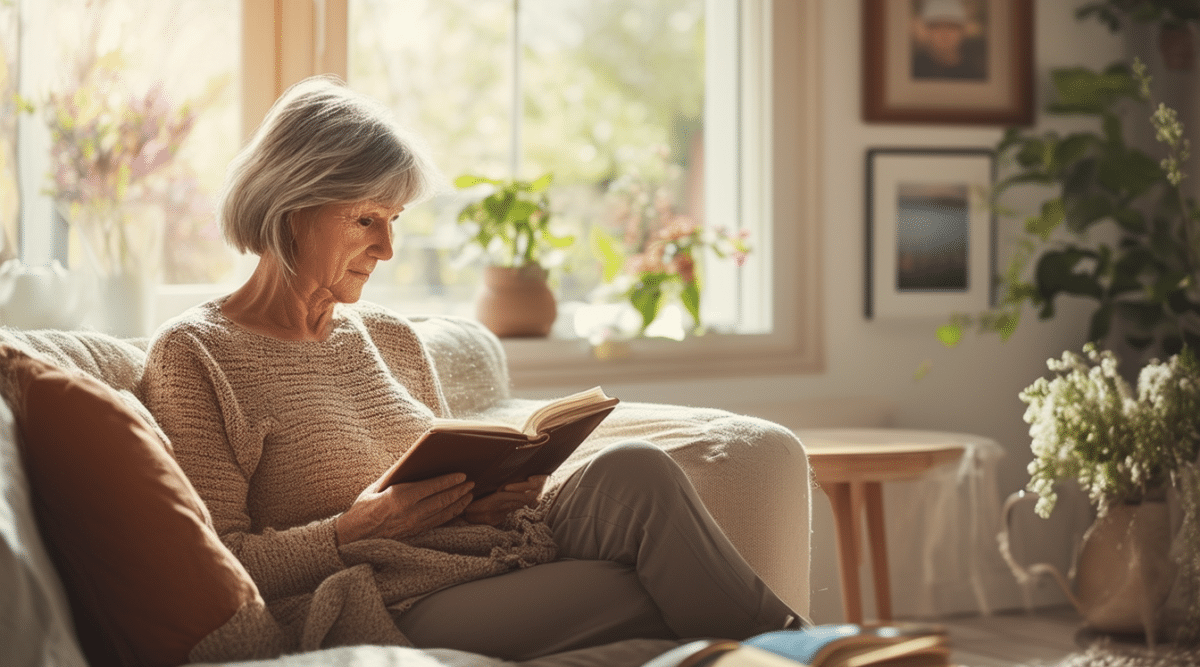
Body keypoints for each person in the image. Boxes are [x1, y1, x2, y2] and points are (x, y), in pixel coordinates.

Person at [141, 75, 801, 661]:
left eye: (395, 219)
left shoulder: (392, 338)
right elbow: (217, 561)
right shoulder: (197, 354)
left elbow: (444, 473)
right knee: (656, 586)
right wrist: (352, 530)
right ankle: (814, 650)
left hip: (483, 549)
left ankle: (804, 647)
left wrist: (482, 499)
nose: (389, 247)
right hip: (383, 599)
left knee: (637, 467)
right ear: (292, 204)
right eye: (367, 218)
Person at [911, 0, 988, 81]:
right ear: (927, 31)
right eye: (937, 26)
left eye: (951, 26)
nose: (944, 33)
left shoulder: (976, 73)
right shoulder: (913, 69)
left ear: (962, 31)